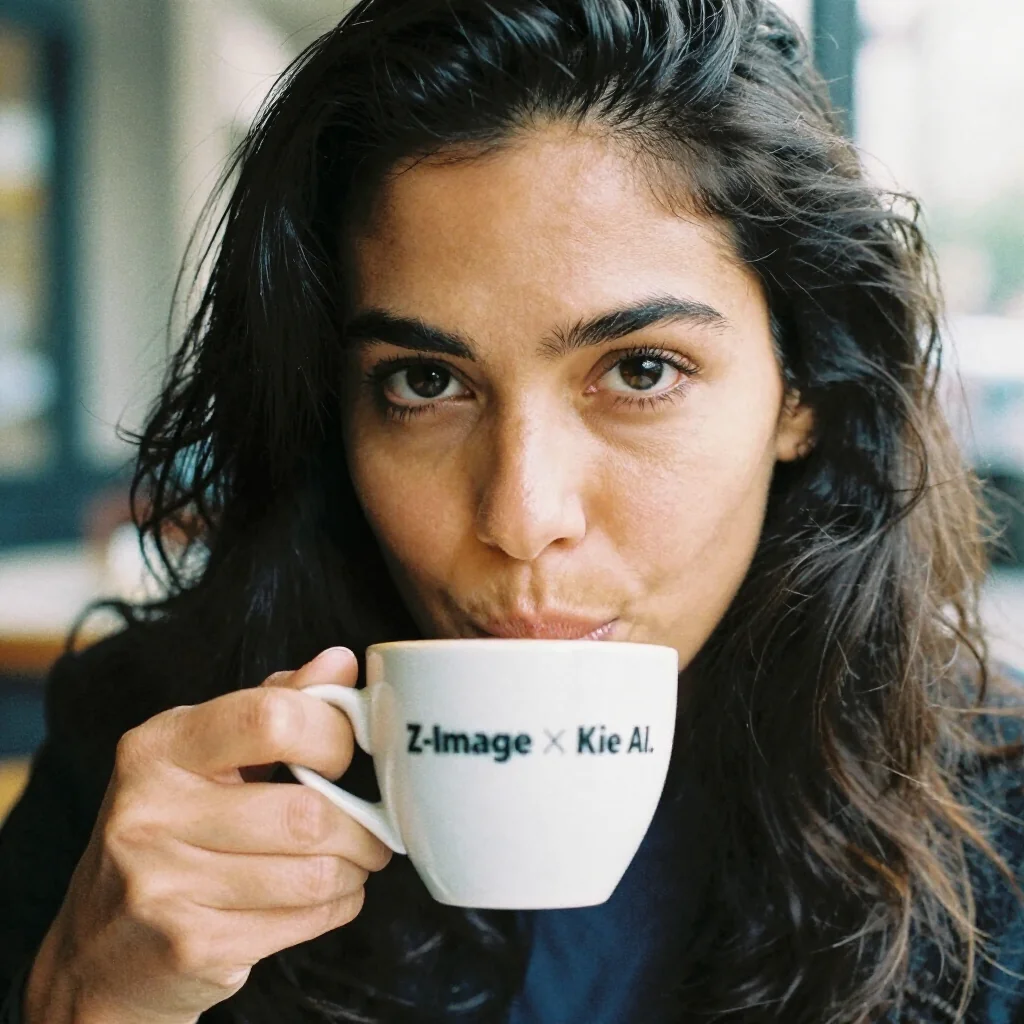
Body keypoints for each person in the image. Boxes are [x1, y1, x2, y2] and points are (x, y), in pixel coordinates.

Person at [1, 0, 1022, 1020]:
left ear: (801, 390)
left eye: (641, 368)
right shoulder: (146, 785)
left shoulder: (999, 824)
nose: (521, 516)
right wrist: (95, 996)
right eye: (424, 384)